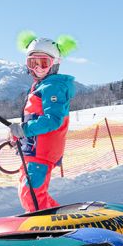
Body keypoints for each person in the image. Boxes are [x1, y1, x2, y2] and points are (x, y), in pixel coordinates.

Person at [10, 32, 78, 212]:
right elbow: (34, 117)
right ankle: (62, 219)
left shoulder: (53, 86)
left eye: (43, 63)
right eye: (33, 63)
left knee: (31, 193)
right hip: (33, 148)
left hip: (43, 150)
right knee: (31, 191)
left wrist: (24, 129)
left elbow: (53, 120)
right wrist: (19, 134)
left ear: (54, 63)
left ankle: (49, 227)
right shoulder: (41, 86)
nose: (38, 68)